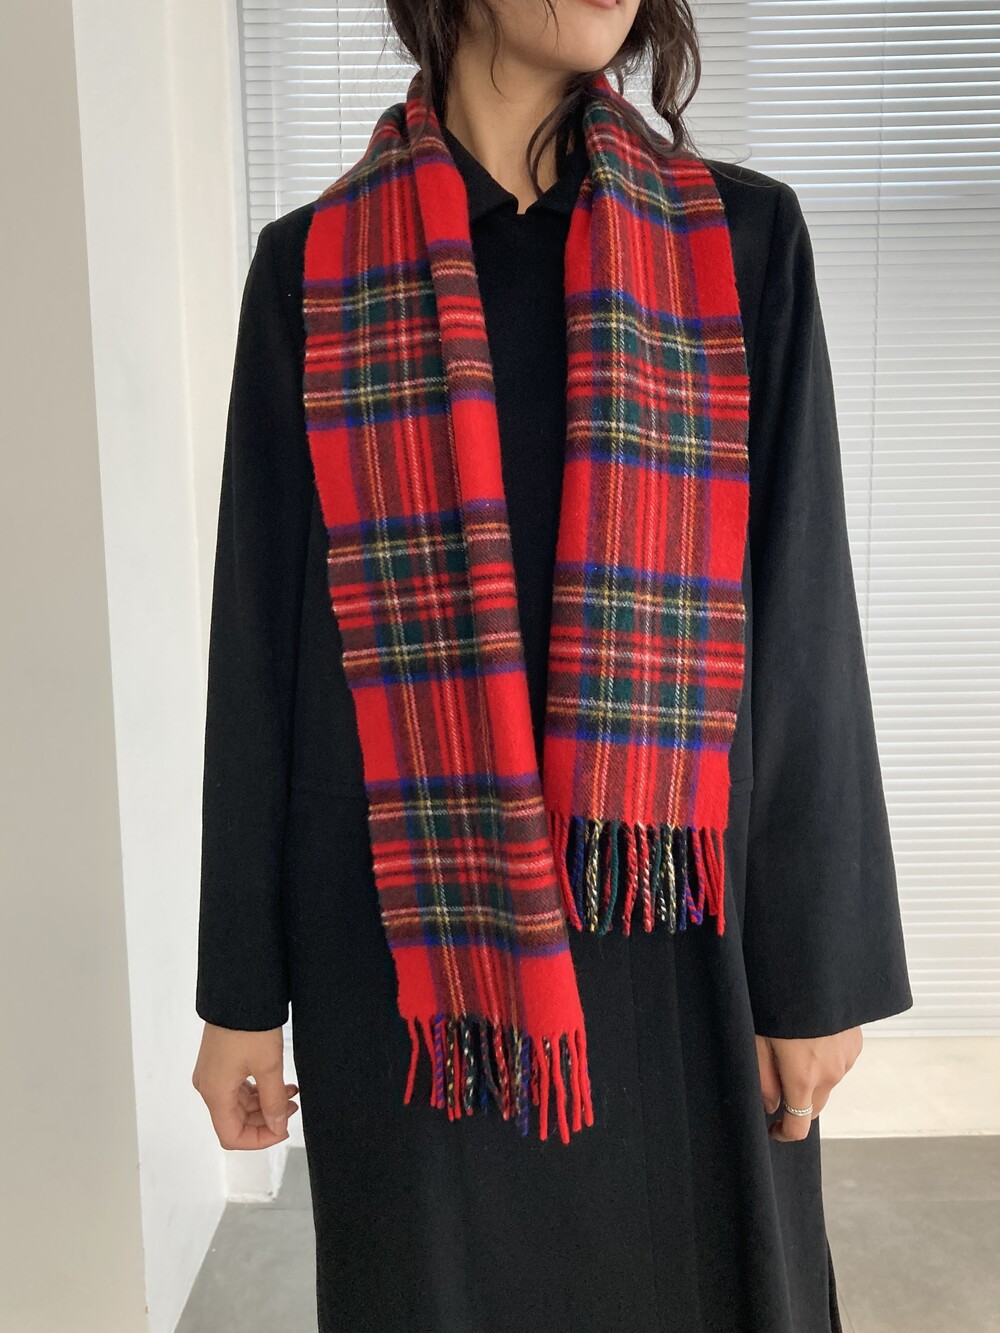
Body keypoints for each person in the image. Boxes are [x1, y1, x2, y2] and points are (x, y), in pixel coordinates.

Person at [191, 0, 913, 1328]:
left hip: (674, 930)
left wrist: (817, 971)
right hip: (413, 959)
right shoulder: (312, 273)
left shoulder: (741, 243)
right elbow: (259, 652)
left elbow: (804, 618)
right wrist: (240, 992)